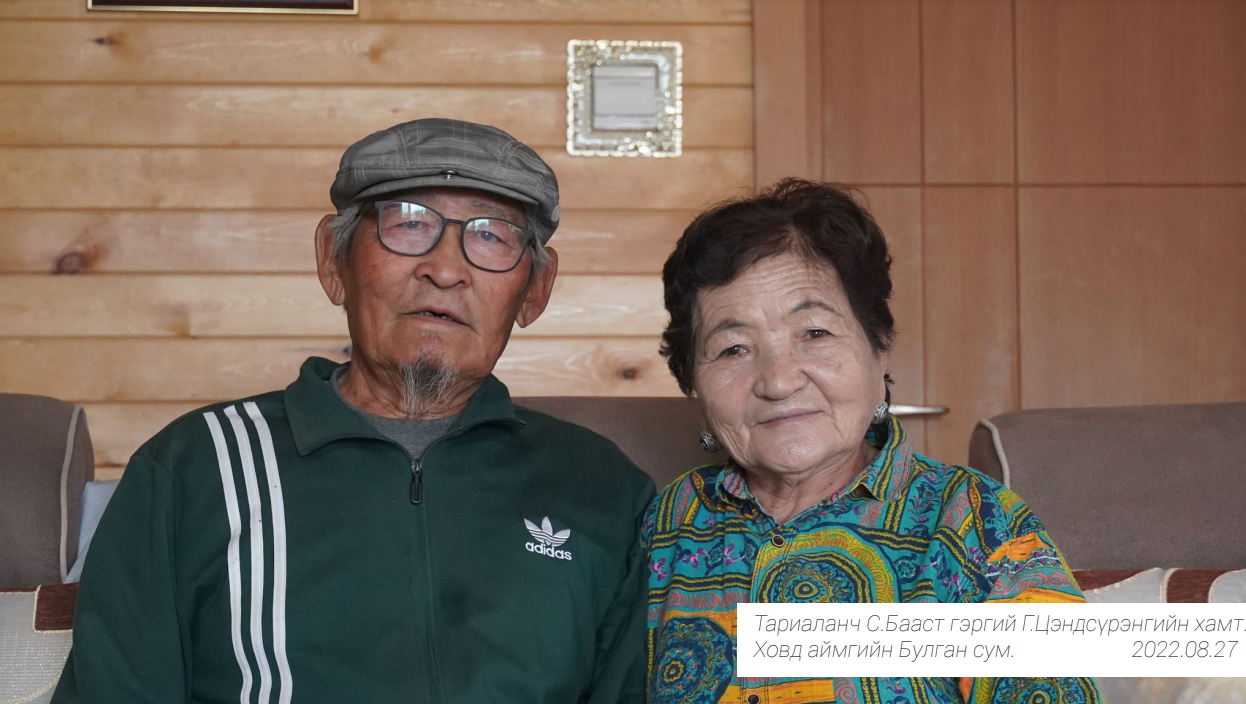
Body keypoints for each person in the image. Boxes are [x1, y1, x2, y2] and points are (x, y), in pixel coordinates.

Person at [54, 118, 655, 704]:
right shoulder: (194, 466)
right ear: (332, 259)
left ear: (535, 290)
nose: (446, 269)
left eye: (491, 236)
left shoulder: (602, 488)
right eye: (409, 223)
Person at [643, 179, 1100, 704]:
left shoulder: (974, 519)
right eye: (733, 349)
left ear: (879, 348)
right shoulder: (665, 523)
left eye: (814, 333)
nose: (779, 381)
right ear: (693, 383)